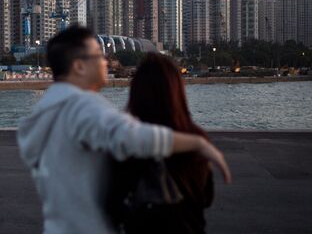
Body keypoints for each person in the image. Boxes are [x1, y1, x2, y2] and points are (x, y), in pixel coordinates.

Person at [16, 26, 231, 234]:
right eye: (99, 55)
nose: (106, 61)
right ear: (79, 66)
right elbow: (131, 137)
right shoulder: (82, 106)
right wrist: (198, 143)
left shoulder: (43, 112)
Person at [112, 53, 215, 233]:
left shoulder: (128, 140)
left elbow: (114, 202)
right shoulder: (194, 137)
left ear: (136, 91)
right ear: (177, 90)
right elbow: (207, 198)